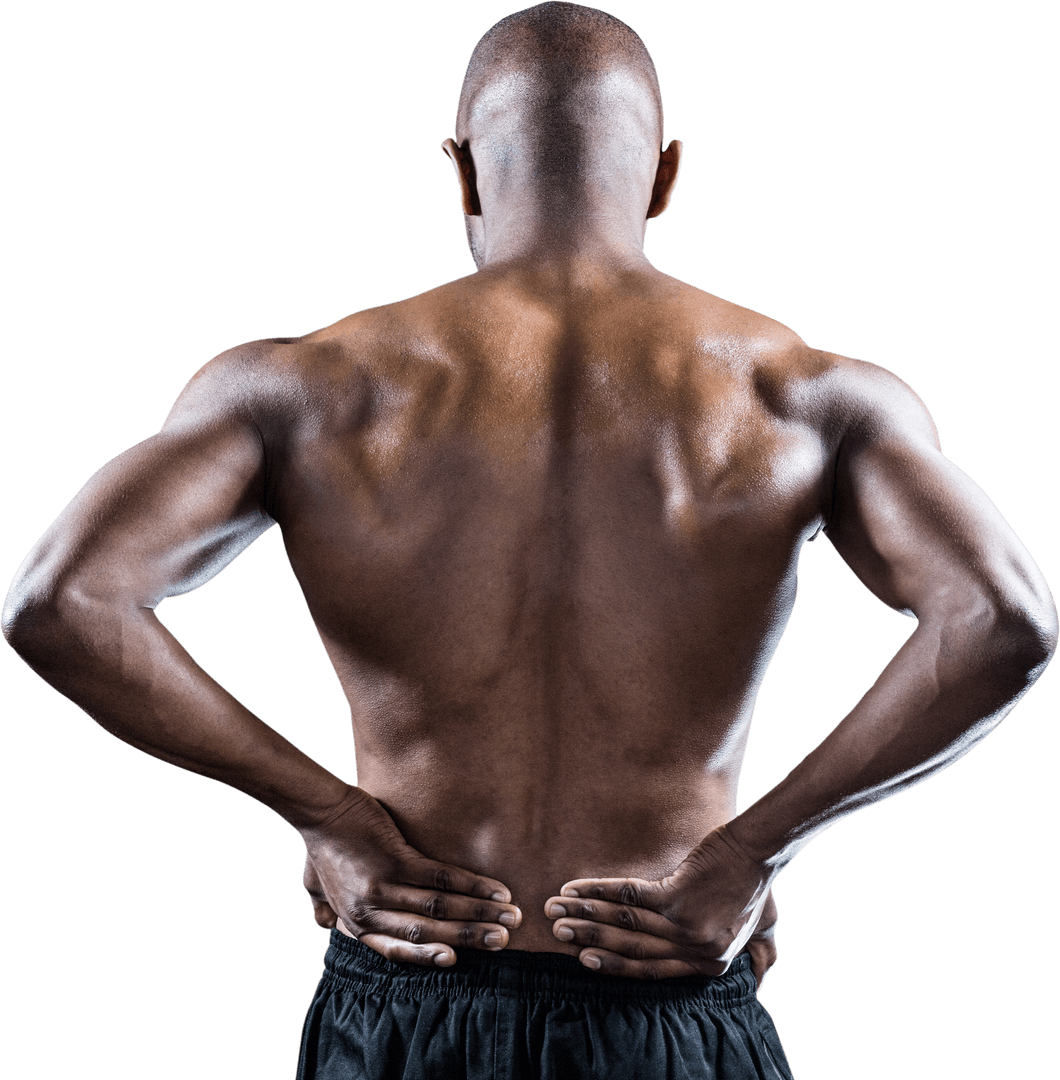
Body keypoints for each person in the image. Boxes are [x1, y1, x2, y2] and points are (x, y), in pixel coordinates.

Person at [3, 2, 1055, 1078]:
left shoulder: (303, 389)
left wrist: (326, 815)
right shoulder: (803, 398)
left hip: (413, 986)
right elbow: (1003, 618)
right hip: (662, 990)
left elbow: (60, 602)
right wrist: (747, 853)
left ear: (460, 172)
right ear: (663, 177)